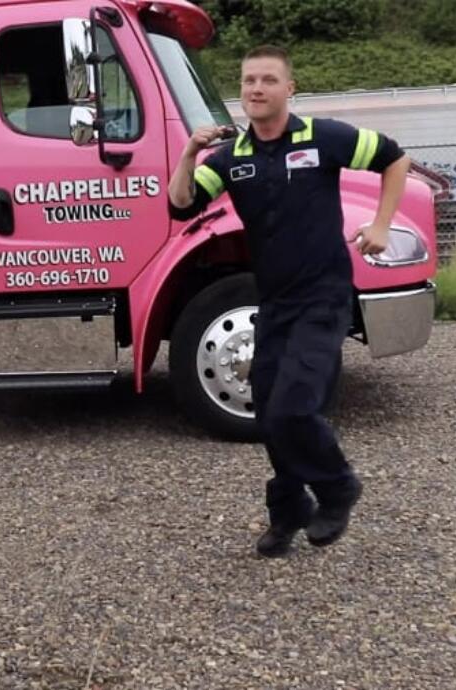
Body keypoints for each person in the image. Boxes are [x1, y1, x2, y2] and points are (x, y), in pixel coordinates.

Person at [167, 46, 410, 558]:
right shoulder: (231, 157)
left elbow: (394, 158)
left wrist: (383, 225)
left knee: (294, 406)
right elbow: (180, 203)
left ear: (289, 89)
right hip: (272, 302)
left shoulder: (323, 138)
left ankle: (337, 485)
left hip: (322, 297)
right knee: (268, 411)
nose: (256, 88)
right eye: (249, 80)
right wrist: (189, 153)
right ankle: (289, 509)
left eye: (268, 80)